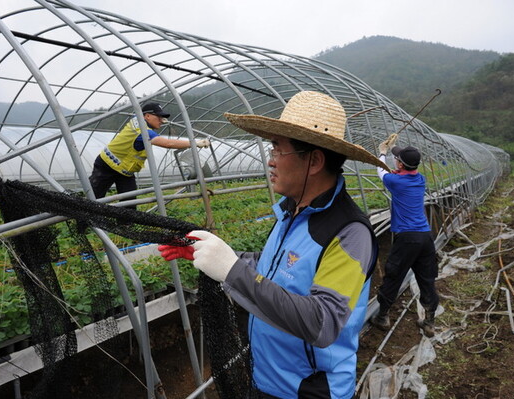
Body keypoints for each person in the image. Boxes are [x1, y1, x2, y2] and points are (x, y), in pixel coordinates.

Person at [158, 91, 389, 398]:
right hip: (266, 377)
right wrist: (220, 255)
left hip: (307, 390)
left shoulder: (349, 232)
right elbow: (275, 266)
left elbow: (321, 322)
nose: (270, 160)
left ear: (315, 161)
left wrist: (232, 270)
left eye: (278, 150)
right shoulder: (291, 211)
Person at [370, 141, 439, 337]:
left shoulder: (395, 181)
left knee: (394, 275)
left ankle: (382, 317)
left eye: (397, 158)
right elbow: (398, 175)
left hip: (407, 238)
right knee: (426, 278)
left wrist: (381, 153)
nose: (394, 158)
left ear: (400, 165)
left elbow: (380, 171)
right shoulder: (420, 179)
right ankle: (429, 322)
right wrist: (397, 170)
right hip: (425, 238)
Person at [88, 102, 210, 201]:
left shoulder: (140, 122)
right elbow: (167, 143)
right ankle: (83, 229)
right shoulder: (141, 129)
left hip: (124, 171)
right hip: (107, 166)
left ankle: (125, 227)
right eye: (159, 117)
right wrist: (195, 143)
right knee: (94, 199)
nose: (162, 120)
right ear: (147, 116)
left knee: (129, 202)